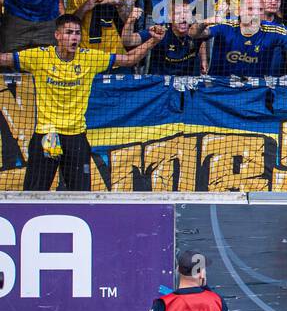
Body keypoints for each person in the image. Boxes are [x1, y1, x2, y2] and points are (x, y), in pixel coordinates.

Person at [0, 15, 164, 191]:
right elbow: (4, 59)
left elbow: (129, 60)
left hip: (76, 136)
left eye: (77, 33)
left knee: (80, 193)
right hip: (46, 135)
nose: (74, 37)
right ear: (57, 35)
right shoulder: (39, 57)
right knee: (34, 191)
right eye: (69, 32)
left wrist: (153, 41)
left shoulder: (89, 58)